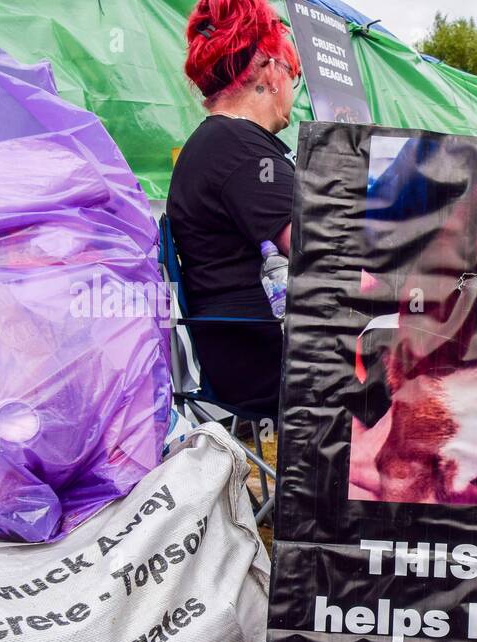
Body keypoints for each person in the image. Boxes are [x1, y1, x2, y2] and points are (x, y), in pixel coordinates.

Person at [167, 0, 302, 416]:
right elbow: (318, 253)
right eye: (293, 78)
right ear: (271, 71)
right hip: (265, 354)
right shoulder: (240, 149)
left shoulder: (216, 142)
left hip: (241, 347)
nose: (293, 93)